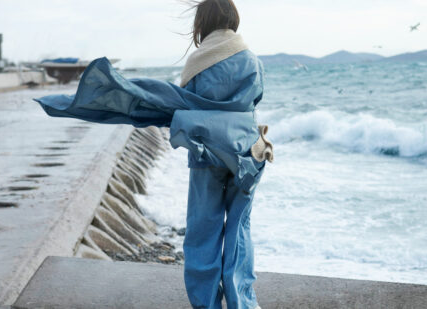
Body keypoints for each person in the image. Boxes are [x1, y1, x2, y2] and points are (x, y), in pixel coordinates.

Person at [34, 1, 272, 308]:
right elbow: (254, 103)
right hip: (247, 154)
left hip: (207, 154)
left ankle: (208, 304)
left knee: (204, 230)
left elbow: (184, 102)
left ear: (203, 24)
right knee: (239, 229)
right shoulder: (253, 61)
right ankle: (243, 304)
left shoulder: (200, 61)